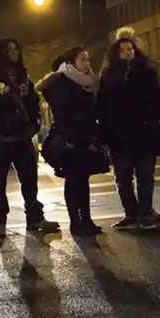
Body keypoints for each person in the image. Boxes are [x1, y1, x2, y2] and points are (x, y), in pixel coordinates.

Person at [0, 38, 60, 237]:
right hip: (1, 138)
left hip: (23, 135)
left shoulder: (24, 77)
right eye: (9, 50)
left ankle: (34, 216)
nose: (14, 53)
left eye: (16, 49)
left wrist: (34, 124)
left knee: (30, 179)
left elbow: (33, 101)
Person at [39, 47, 109, 236]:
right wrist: (69, 136)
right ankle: (76, 222)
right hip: (71, 138)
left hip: (85, 136)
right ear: (71, 63)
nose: (87, 63)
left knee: (82, 179)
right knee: (73, 180)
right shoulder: (64, 82)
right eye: (83, 59)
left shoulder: (86, 82)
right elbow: (63, 113)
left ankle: (85, 220)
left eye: (87, 59)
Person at [98, 37, 160, 230]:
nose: (128, 53)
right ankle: (131, 213)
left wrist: (150, 120)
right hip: (119, 136)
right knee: (123, 177)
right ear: (116, 54)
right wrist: (106, 133)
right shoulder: (109, 76)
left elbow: (157, 101)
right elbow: (103, 107)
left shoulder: (147, 73)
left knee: (145, 176)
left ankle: (144, 213)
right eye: (124, 50)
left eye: (130, 49)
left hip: (144, 133)